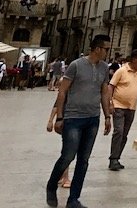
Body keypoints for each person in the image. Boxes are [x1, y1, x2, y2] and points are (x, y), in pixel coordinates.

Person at [45, 33, 113, 208]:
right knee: (68, 156)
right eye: (106, 49)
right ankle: (51, 186)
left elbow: (104, 93)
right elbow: (62, 92)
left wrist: (107, 116)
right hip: (73, 118)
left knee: (84, 160)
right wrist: (59, 117)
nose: (108, 51)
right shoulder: (76, 65)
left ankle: (73, 199)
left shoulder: (104, 68)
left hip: (92, 119)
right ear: (97, 49)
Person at [108, 48, 137, 171]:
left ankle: (116, 157)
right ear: (133, 59)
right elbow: (111, 86)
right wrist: (110, 102)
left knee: (124, 134)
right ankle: (113, 159)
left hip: (131, 107)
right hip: (118, 106)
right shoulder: (121, 71)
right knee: (119, 132)